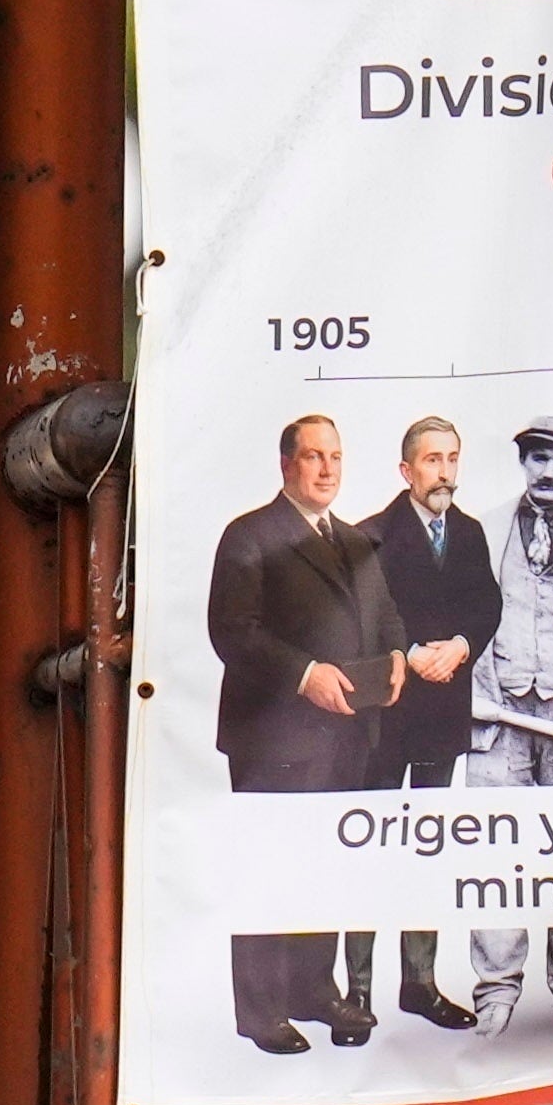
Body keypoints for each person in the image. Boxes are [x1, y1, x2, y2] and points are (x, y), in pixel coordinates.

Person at [205, 410, 387, 1053]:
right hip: (273, 739)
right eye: (314, 457)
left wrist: (396, 662)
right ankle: (259, 1011)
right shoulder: (251, 534)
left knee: (326, 870)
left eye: (335, 456)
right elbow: (233, 630)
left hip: (344, 736)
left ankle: (314, 991)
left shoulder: (355, 540)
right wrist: (304, 673)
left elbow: (383, 619)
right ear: (287, 464)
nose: (328, 468)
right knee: (266, 869)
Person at [456, 414, 553, 1029]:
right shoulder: (481, 532)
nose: (548, 471)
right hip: (500, 709)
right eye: (538, 458)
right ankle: (496, 987)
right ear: (523, 464)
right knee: (496, 848)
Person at [358, 419, 498, 1023]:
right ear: (406, 470)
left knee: (428, 847)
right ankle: (357, 993)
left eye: (452, 459)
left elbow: (484, 602)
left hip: (443, 714)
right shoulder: (372, 534)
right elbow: (368, 612)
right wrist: (412, 653)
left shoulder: (467, 533)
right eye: (432, 460)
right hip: (386, 717)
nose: (444, 471)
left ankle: (419, 984)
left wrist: (462, 646)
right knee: (373, 848)